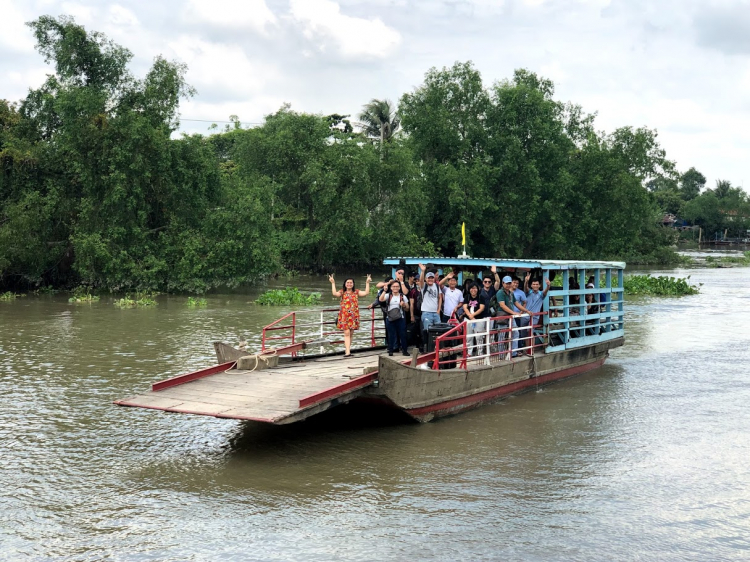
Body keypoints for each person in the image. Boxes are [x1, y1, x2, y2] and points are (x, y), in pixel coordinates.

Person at [329, 274, 371, 357]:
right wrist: (333, 283)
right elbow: (334, 293)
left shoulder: (356, 292)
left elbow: (366, 293)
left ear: (353, 284)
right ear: (345, 284)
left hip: (353, 316)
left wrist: (367, 282)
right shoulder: (342, 292)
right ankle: (347, 352)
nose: (349, 284)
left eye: (351, 283)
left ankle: (347, 349)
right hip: (344, 315)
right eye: (347, 282)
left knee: (351, 333)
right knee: (347, 333)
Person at [491, 275, 531, 358]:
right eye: (507, 283)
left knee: (515, 333)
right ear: (503, 283)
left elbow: (516, 303)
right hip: (503, 316)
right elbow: (502, 305)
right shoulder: (500, 293)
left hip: (511, 317)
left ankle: (513, 352)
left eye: (509, 283)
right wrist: (514, 313)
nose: (508, 285)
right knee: (502, 335)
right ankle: (501, 355)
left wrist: (526, 310)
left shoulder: (510, 293)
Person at [379, 279, 410, 356]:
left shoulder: (403, 297)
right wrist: (384, 290)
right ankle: (390, 350)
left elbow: (407, 309)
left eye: (397, 286)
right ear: (391, 288)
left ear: (399, 288)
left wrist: (403, 305)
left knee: (403, 334)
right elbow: (381, 299)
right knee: (391, 334)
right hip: (390, 318)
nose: (395, 288)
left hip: (401, 318)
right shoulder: (388, 295)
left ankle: (404, 350)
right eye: (394, 286)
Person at [417, 263, 443, 352]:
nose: (430, 279)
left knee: (438, 332)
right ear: (426, 279)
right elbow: (420, 281)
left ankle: (437, 349)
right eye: (429, 278)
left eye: (432, 278)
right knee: (427, 331)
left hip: (435, 313)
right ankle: (427, 348)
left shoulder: (436, 286)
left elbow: (440, 297)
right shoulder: (424, 286)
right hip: (426, 312)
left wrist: (439, 309)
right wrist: (423, 271)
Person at [523, 273, 551, 350]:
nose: (535, 285)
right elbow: (525, 288)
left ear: (539, 285)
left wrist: (548, 286)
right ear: (531, 285)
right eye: (534, 284)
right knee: (524, 333)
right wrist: (526, 281)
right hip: (525, 316)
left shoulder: (541, 294)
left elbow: (545, 292)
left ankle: (531, 349)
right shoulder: (529, 292)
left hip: (534, 317)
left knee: (530, 331)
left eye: (537, 284)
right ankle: (527, 349)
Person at [462, 283, 488, 357]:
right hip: (468, 319)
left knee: (479, 336)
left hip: (479, 319)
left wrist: (473, 315)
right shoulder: (467, 297)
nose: (473, 290)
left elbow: (481, 308)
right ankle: (469, 352)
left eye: (475, 288)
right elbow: (465, 307)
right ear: (469, 289)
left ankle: (480, 352)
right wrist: (470, 316)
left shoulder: (481, 297)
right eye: (471, 288)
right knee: (469, 336)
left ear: (478, 289)